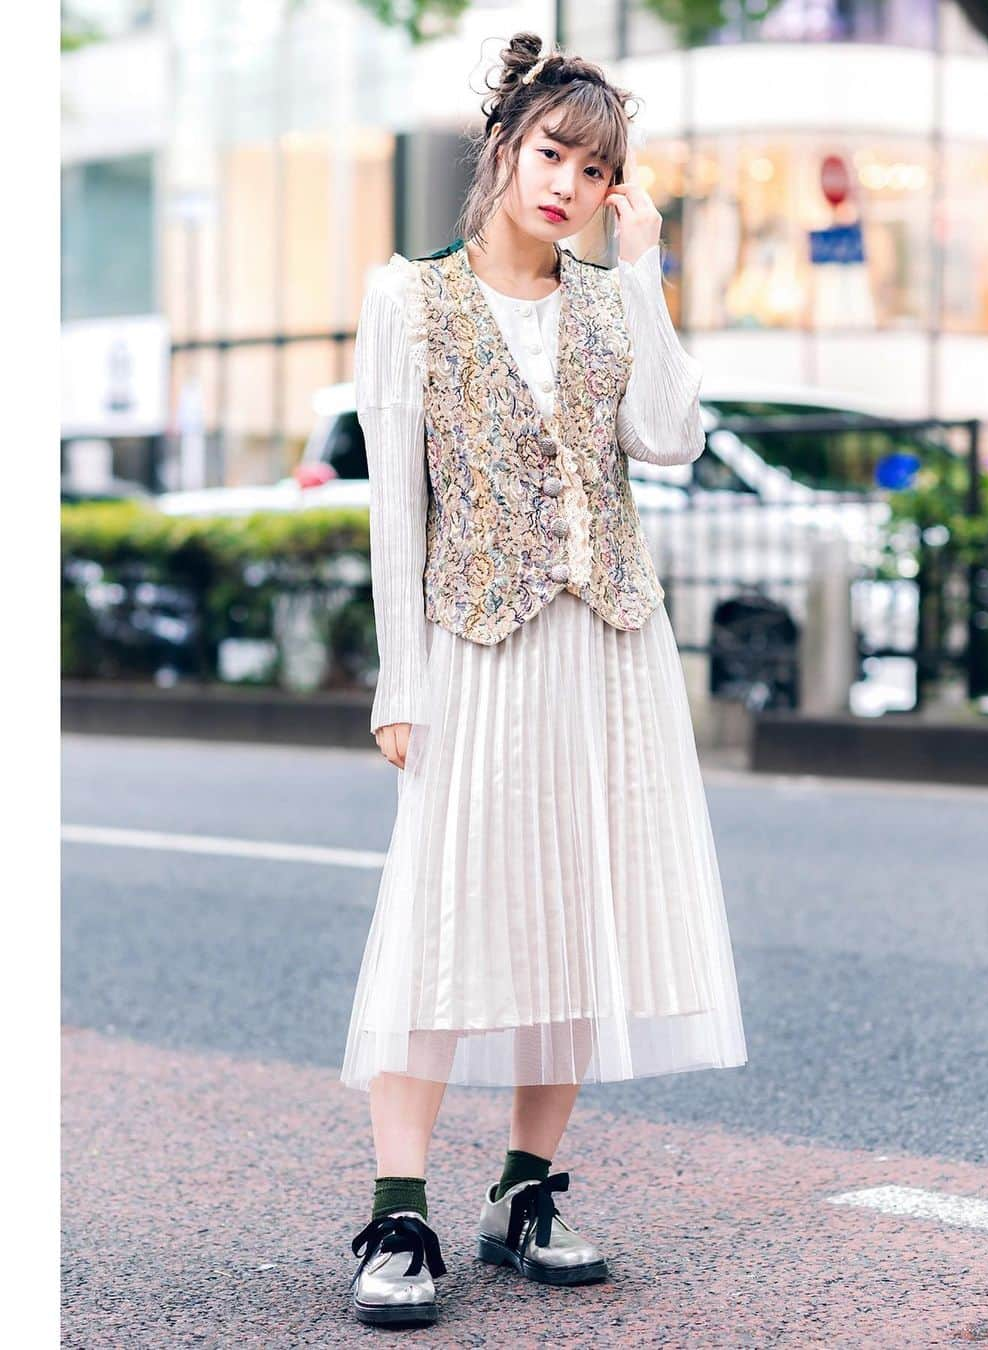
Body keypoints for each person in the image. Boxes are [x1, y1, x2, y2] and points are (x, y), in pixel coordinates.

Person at [342, 31, 748, 1328]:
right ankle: (400, 1208)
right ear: (505, 150)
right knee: (438, 923)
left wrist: (650, 275)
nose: (568, 181)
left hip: (607, 647)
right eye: (552, 152)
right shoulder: (410, 299)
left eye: (595, 166)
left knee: (572, 915)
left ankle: (525, 1192)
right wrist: (398, 682)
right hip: (473, 644)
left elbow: (671, 434)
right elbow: (395, 511)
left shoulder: (607, 299)